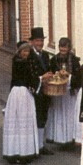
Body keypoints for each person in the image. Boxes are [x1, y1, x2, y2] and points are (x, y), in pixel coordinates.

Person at [3, 41, 40, 164]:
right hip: (23, 93)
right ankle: (24, 152)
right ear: (20, 52)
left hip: (15, 93)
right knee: (24, 121)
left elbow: (13, 80)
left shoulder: (15, 61)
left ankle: (13, 151)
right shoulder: (24, 63)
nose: (26, 53)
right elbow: (30, 79)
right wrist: (39, 81)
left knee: (16, 122)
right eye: (24, 51)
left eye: (28, 51)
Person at [45, 37, 81, 150]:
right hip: (58, 91)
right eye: (61, 47)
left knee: (70, 116)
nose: (63, 50)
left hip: (70, 92)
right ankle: (61, 139)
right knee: (60, 115)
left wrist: (68, 75)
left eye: (65, 47)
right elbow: (50, 73)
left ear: (69, 48)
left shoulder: (74, 60)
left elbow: (78, 76)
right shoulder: (54, 59)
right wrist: (57, 74)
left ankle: (70, 139)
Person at [27, 26, 55, 155]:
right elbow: (28, 75)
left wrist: (51, 75)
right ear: (32, 42)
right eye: (37, 41)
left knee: (43, 117)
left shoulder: (45, 55)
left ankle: (41, 145)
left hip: (45, 91)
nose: (40, 43)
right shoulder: (29, 55)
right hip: (34, 90)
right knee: (35, 117)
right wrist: (41, 77)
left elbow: (48, 69)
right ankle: (33, 146)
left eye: (41, 41)